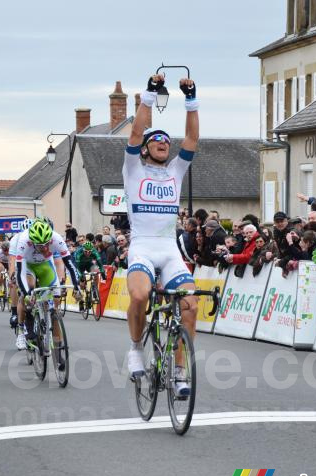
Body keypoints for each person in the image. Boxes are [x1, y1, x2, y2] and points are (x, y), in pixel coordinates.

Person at [122, 72, 199, 394]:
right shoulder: (133, 169)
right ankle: (136, 349)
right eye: (157, 141)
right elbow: (137, 130)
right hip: (141, 246)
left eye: (166, 141)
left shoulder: (176, 171)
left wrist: (191, 97)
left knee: (191, 305)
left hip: (169, 249)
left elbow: (192, 140)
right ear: (145, 148)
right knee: (139, 295)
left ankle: (180, 371)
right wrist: (150, 93)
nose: (163, 144)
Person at [9, 219, 81, 351]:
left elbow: (69, 264)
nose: (44, 248)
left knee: (55, 301)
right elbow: (19, 273)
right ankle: (21, 330)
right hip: (28, 265)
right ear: (33, 241)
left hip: (45, 265)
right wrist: (26, 293)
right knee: (28, 291)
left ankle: (57, 345)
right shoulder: (23, 241)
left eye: (46, 244)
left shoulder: (56, 238)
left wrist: (77, 286)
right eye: (40, 245)